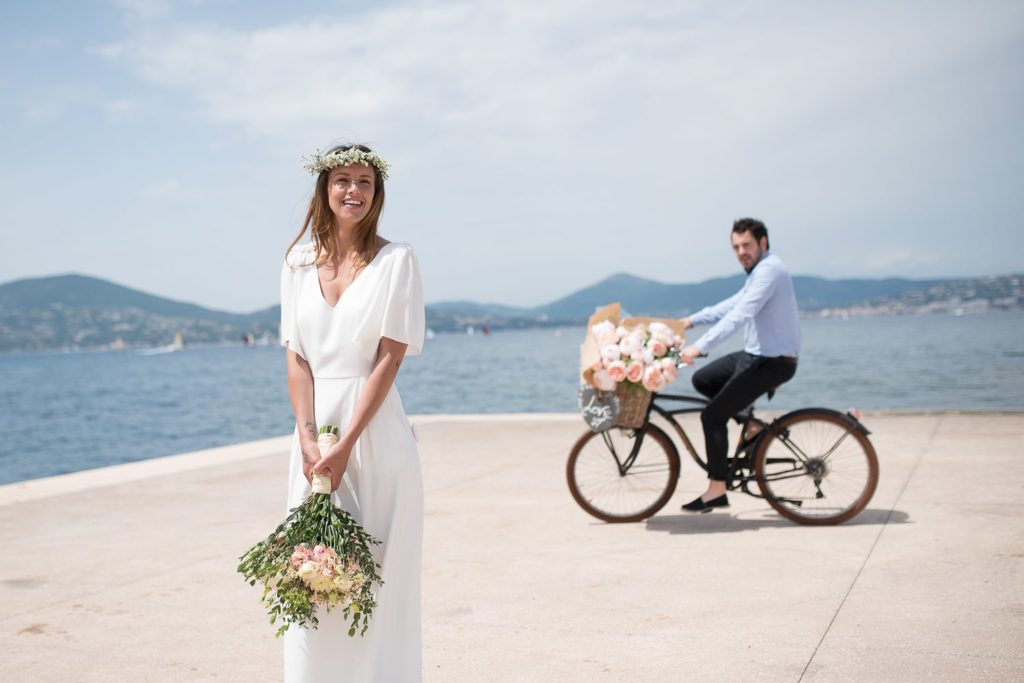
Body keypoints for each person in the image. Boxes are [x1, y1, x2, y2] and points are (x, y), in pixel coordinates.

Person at [279, 143, 425, 681]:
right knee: (311, 574)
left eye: (365, 182)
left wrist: (346, 445)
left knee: (380, 577)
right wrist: (309, 439)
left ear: (377, 193)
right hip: (314, 440)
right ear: (324, 188)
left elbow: (390, 357)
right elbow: (296, 356)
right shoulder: (296, 262)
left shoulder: (397, 260)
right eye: (343, 179)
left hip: (377, 433)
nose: (354, 191)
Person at [678, 218, 800, 513]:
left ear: (763, 243)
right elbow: (731, 305)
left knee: (712, 417)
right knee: (704, 380)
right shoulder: (758, 272)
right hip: (756, 355)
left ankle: (717, 490)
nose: (741, 252)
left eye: (746, 245)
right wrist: (690, 321)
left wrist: (700, 346)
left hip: (773, 362)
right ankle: (752, 425)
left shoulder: (770, 271)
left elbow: (740, 315)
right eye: (736, 247)